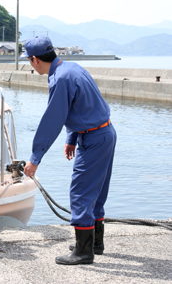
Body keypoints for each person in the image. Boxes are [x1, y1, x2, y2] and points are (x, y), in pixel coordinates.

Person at [22, 36, 117, 266]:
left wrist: (35, 159)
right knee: (96, 192)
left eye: (28, 60)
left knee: (81, 192)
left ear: (35, 59)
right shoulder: (71, 68)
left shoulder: (60, 79)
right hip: (104, 132)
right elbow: (84, 105)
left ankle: (84, 252)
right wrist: (72, 138)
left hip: (94, 138)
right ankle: (95, 243)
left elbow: (52, 121)